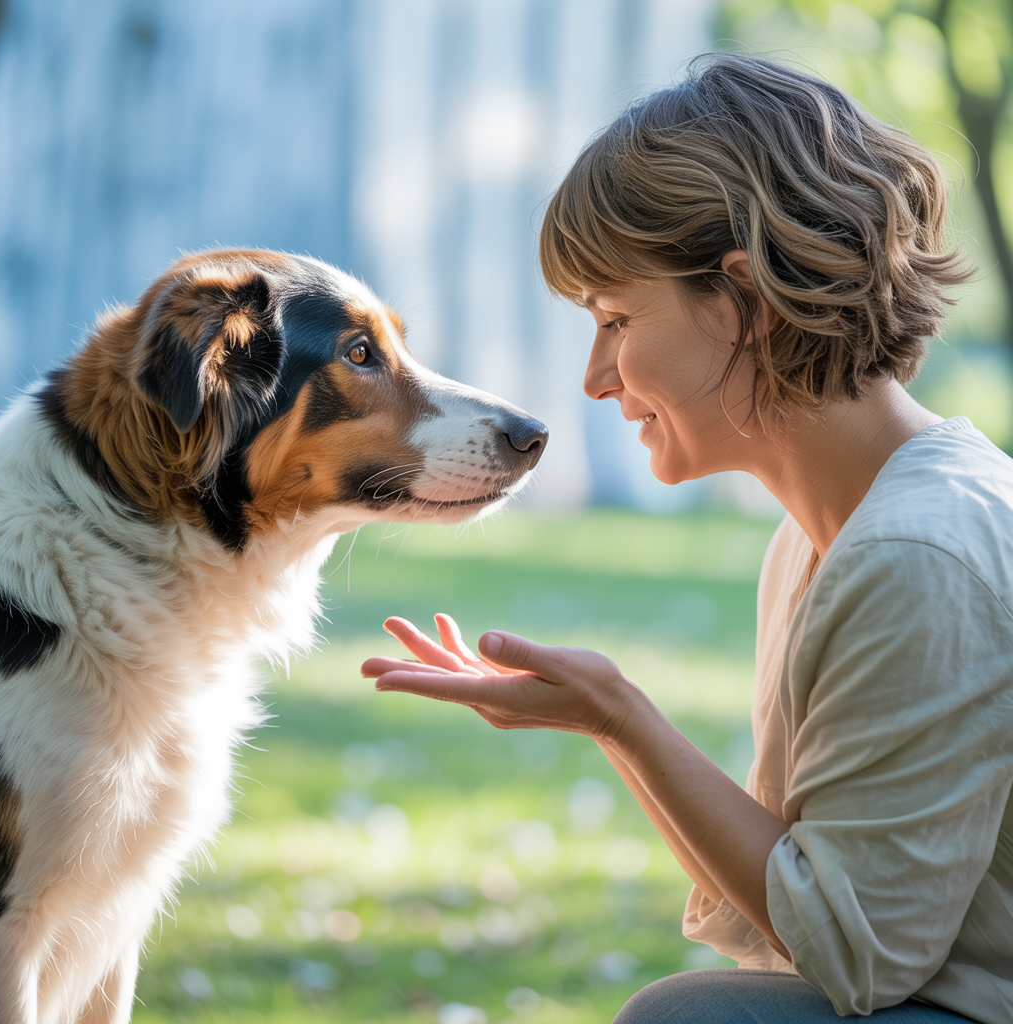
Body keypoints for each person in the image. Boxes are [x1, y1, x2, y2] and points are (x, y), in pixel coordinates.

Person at [360, 53, 1013, 1023]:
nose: (594, 377)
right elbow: (801, 904)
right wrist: (605, 724)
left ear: (743, 303)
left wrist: (627, 716)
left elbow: (855, 955)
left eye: (616, 319)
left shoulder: (914, 552)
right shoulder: (822, 535)